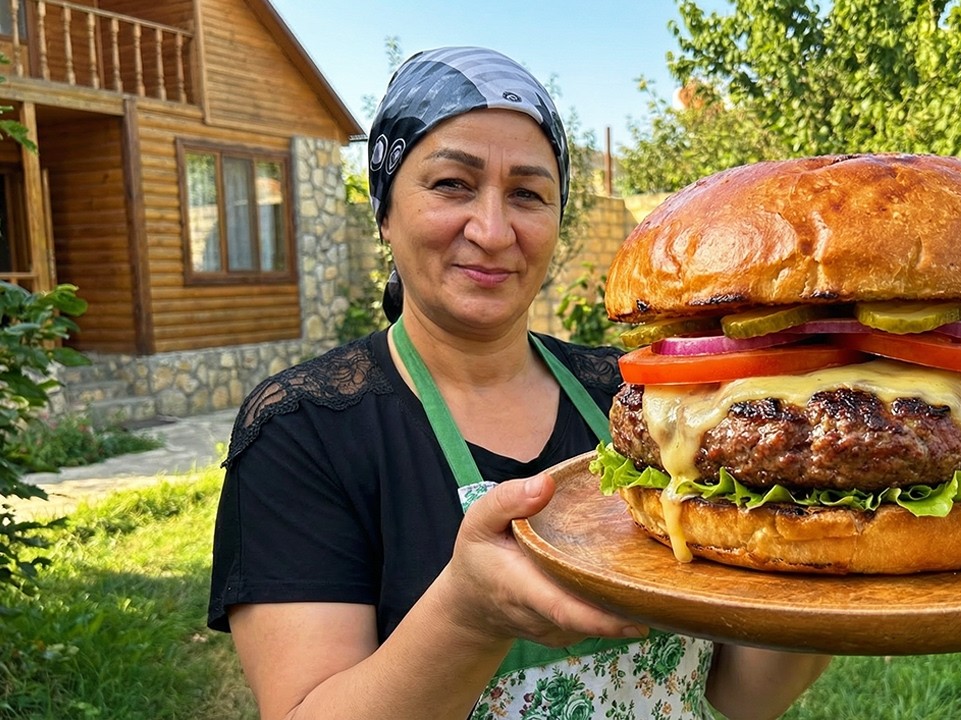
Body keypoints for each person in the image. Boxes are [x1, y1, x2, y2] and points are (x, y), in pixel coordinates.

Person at [208, 46, 831, 720]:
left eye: (529, 194)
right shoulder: (306, 428)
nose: (494, 229)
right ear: (385, 210)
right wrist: (468, 616)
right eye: (452, 184)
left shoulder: (635, 402)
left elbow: (738, 694)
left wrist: (827, 565)